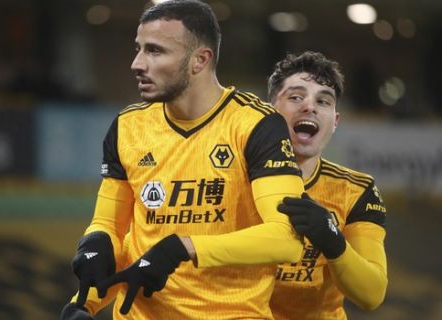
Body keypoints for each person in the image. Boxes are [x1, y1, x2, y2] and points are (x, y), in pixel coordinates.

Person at [59, 1, 306, 319]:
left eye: (155, 51)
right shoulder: (126, 127)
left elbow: (287, 238)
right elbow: (111, 226)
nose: (137, 63)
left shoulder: (256, 125)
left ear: (200, 60)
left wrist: (184, 247)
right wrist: (86, 293)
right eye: (138, 49)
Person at [268, 51, 388, 319]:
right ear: (269, 113)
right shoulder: (230, 177)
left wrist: (332, 239)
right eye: (296, 97)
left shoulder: (356, 191)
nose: (310, 107)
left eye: (323, 101)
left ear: (334, 123)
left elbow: (372, 294)